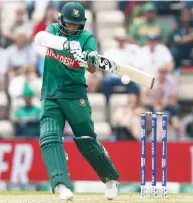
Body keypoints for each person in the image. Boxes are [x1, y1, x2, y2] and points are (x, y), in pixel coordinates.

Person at [38, 2, 119, 201]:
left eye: (77, 24)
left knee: (86, 140)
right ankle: (60, 184)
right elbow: (40, 38)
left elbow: (92, 69)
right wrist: (66, 45)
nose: (73, 27)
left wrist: (88, 59)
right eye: (70, 23)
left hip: (75, 95)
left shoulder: (87, 37)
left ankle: (109, 178)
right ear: (61, 20)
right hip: (51, 94)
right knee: (49, 137)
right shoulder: (53, 30)